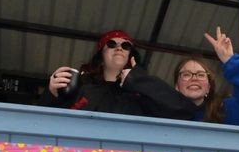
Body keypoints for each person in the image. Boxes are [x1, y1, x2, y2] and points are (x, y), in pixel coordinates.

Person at [42, 30, 196, 119]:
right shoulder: (84, 89)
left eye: (126, 45)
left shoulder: (142, 91)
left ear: (131, 56)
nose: (119, 48)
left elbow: (185, 111)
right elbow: (44, 121)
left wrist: (138, 79)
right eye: (111, 44)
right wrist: (52, 93)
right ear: (100, 57)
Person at [173, 27, 239, 126]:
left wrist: (230, 60)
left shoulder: (225, 109)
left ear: (208, 87)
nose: (194, 78)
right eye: (186, 74)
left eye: (201, 75)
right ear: (177, 86)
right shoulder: (165, 112)